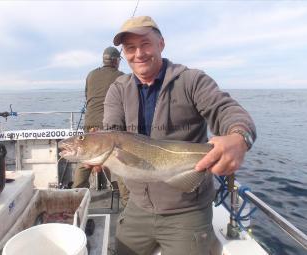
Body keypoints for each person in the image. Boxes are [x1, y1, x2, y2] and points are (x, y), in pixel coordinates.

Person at [102, 16, 256, 255]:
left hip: (187, 208)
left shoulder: (192, 80)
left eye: (146, 44)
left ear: (161, 44)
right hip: (138, 207)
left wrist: (239, 137)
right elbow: (111, 132)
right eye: (130, 48)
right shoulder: (118, 89)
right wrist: (95, 153)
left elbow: (227, 110)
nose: (139, 53)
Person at [72, 46, 126, 193]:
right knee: (118, 160)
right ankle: (125, 197)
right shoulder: (122, 77)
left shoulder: (91, 75)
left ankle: (77, 193)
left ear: (104, 60)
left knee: (86, 159)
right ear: (116, 61)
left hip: (90, 123)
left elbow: (87, 95)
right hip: (110, 125)